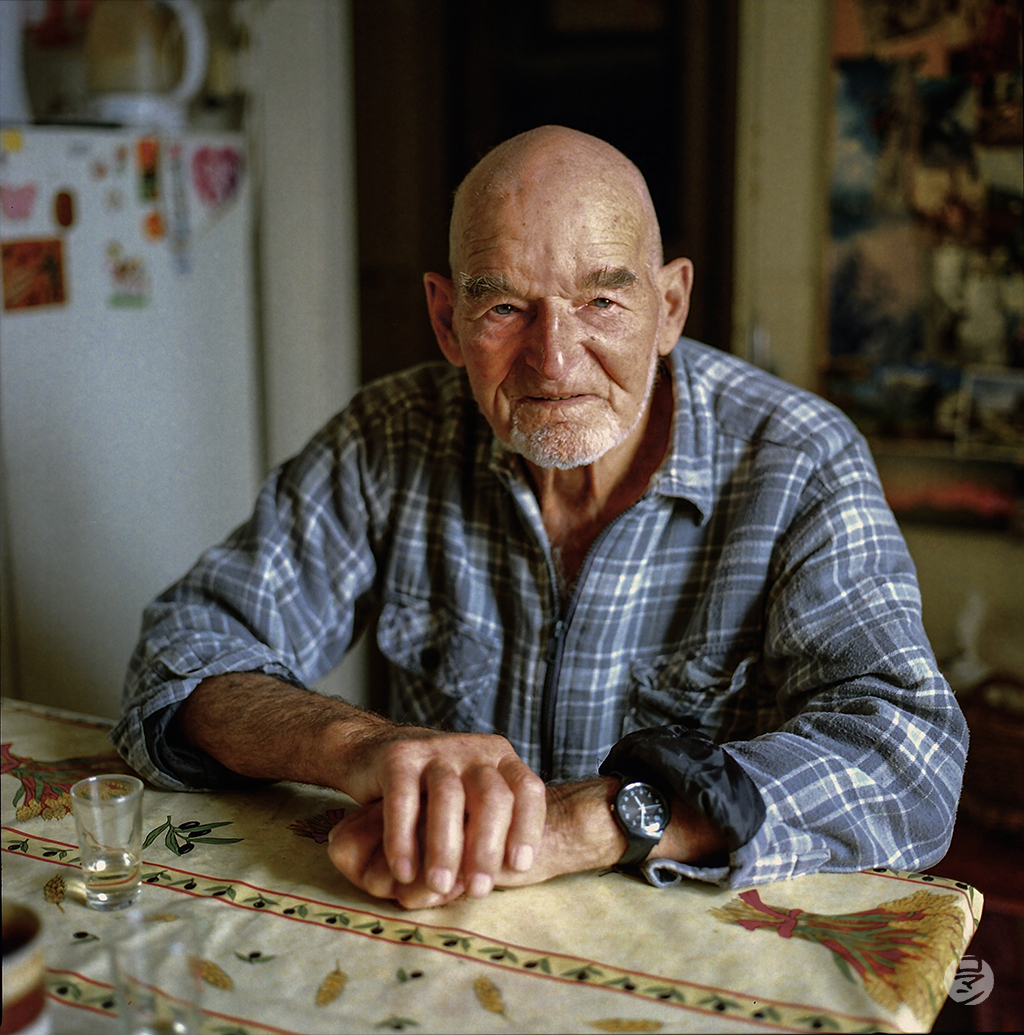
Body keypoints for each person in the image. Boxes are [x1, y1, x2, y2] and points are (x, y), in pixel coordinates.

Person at [113, 126, 967, 910]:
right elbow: (181, 654)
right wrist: (359, 746)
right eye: (505, 309)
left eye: (602, 302)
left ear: (669, 307)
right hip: (441, 938)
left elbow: (909, 753)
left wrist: (590, 820)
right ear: (447, 321)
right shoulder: (388, 437)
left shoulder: (799, 459)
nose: (554, 362)